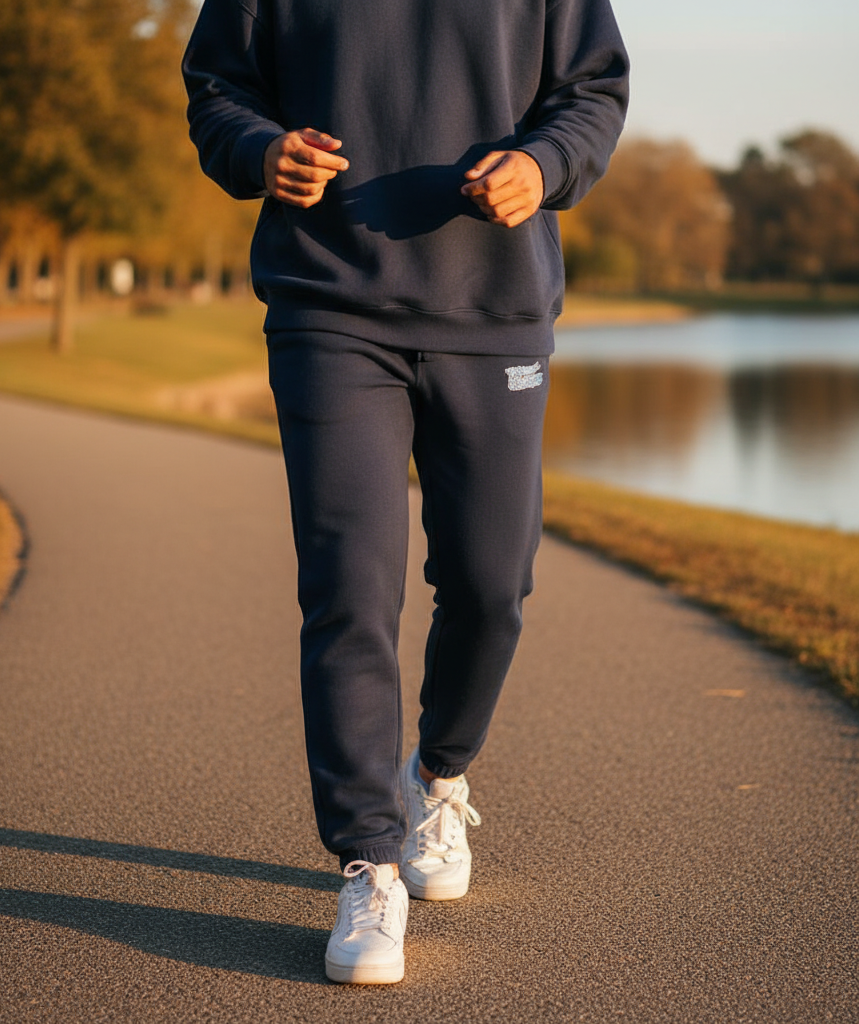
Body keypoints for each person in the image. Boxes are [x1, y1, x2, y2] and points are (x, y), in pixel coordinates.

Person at [183, 0, 629, 985]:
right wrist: (261, 151)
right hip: (329, 306)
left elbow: (591, 92)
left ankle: (439, 775)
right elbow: (216, 89)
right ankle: (368, 859)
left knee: (489, 584)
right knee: (349, 586)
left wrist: (541, 167)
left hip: (494, 313)